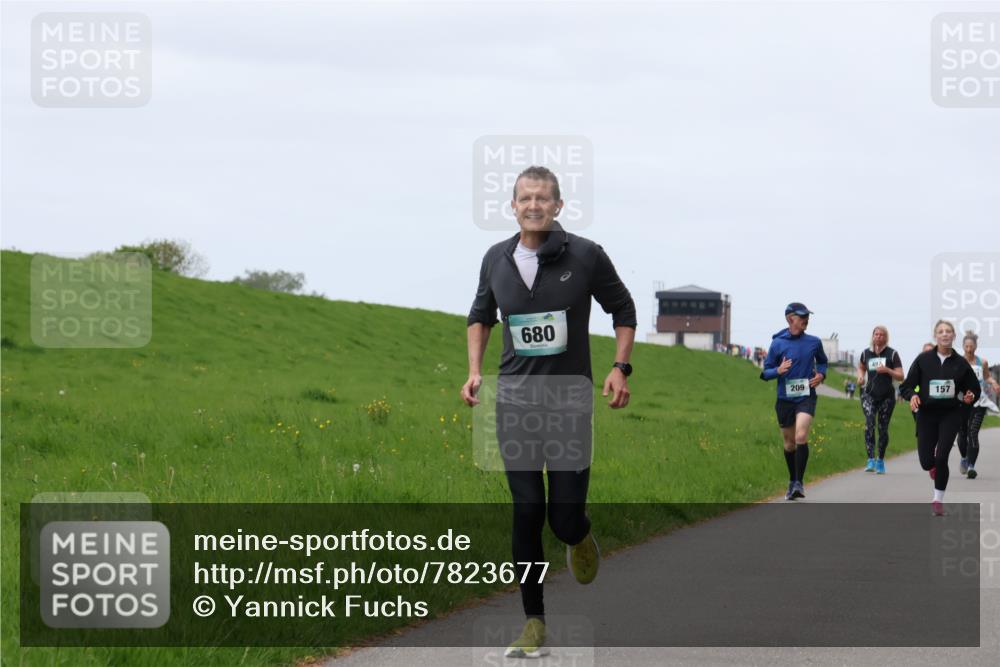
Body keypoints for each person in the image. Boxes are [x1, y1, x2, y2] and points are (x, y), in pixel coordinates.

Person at [462, 165, 637, 658]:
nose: (534, 205)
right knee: (526, 510)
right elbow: (479, 318)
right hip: (514, 402)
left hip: (568, 404)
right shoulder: (495, 259)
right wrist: (475, 371)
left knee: (561, 518)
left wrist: (620, 367)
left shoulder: (585, 255)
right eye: (525, 198)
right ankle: (534, 623)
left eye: (543, 198)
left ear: (558, 206)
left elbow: (623, 311)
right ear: (512, 206)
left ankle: (578, 536)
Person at [899, 321, 980, 515]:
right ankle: (933, 467)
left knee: (942, 457)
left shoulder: (961, 363)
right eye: (941, 331)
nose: (945, 334)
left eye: (949, 331)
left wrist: (970, 396)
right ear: (936, 335)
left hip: (950, 414)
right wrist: (913, 396)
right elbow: (906, 386)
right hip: (927, 414)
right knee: (927, 462)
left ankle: (937, 499)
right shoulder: (923, 359)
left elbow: (974, 389)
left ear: (953, 336)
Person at [760, 303, 828, 501]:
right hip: (784, 399)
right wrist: (778, 371)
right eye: (802, 316)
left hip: (806, 396)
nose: (806, 319)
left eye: (808, 316)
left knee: (801, 436)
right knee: (789, 444)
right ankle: (792, 480)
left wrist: (821, 375)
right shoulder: (778, 343)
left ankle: (799, 482)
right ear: (790, 319)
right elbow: (765, 372)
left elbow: (823, 362)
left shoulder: (814, 342)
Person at [856, 326, 904, 474]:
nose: (878, 337)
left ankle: (880, 460)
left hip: (887, 396)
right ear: (872, 336)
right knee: (869, 423)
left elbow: (901, 376)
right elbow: (861, 367)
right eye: (876, 334)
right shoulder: (866, 353)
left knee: (883, 428)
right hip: (869, 394)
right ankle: (870, 459)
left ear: (886, 337)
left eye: (882, 335)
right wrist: (860, 376)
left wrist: (888, 370)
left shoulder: (892, 354)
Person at [956, 331, 1000, 479]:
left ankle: (971, 467)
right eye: (966, 346)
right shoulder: (957, 361)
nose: (969, 348)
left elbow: (987, 376)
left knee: (973, 432)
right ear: (963, 346)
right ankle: (964, 458)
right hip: (962, 402)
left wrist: (994, 383)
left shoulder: (983, 362)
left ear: (975, 346)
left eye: (971, 346)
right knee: (962, 434)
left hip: (979, 401)